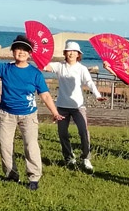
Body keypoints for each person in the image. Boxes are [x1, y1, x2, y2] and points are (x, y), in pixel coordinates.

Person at [0, 34, 64, 190]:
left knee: (31, 146)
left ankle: (34, 178)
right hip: (6, 114)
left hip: (28, 115)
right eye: (18, 49)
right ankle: (11, 175)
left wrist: (55, 112)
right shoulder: (5, 68)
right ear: (13, 51)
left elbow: (45, 95)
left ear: (30, 53)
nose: (21, 52)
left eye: (25, 50)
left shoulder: (35, 73)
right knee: (5, 146)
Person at [45, 40, 105, 171]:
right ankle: (69, 158)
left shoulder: (82, 68)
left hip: (78, 106)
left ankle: (86, 158)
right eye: (69, 51)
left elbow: (89, 82)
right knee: (62, 133)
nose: (71, 53)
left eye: (74, 51)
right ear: (65, 53)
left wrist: (97, 95)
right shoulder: (59, 66)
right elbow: (44, 66)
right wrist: (38, 55)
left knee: (83, 132)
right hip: (62, 106)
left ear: (78, 54)